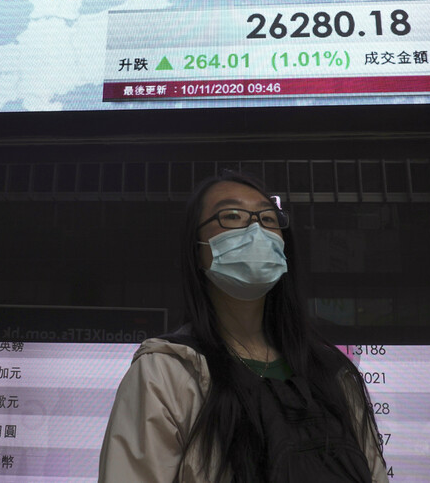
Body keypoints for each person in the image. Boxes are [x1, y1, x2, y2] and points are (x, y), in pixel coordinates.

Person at [99, 171, 388, 482]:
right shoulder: (167, 373)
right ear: (197, 248)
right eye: (232, 215)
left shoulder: (333, 374)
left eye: (268, 218)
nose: (255, 229)